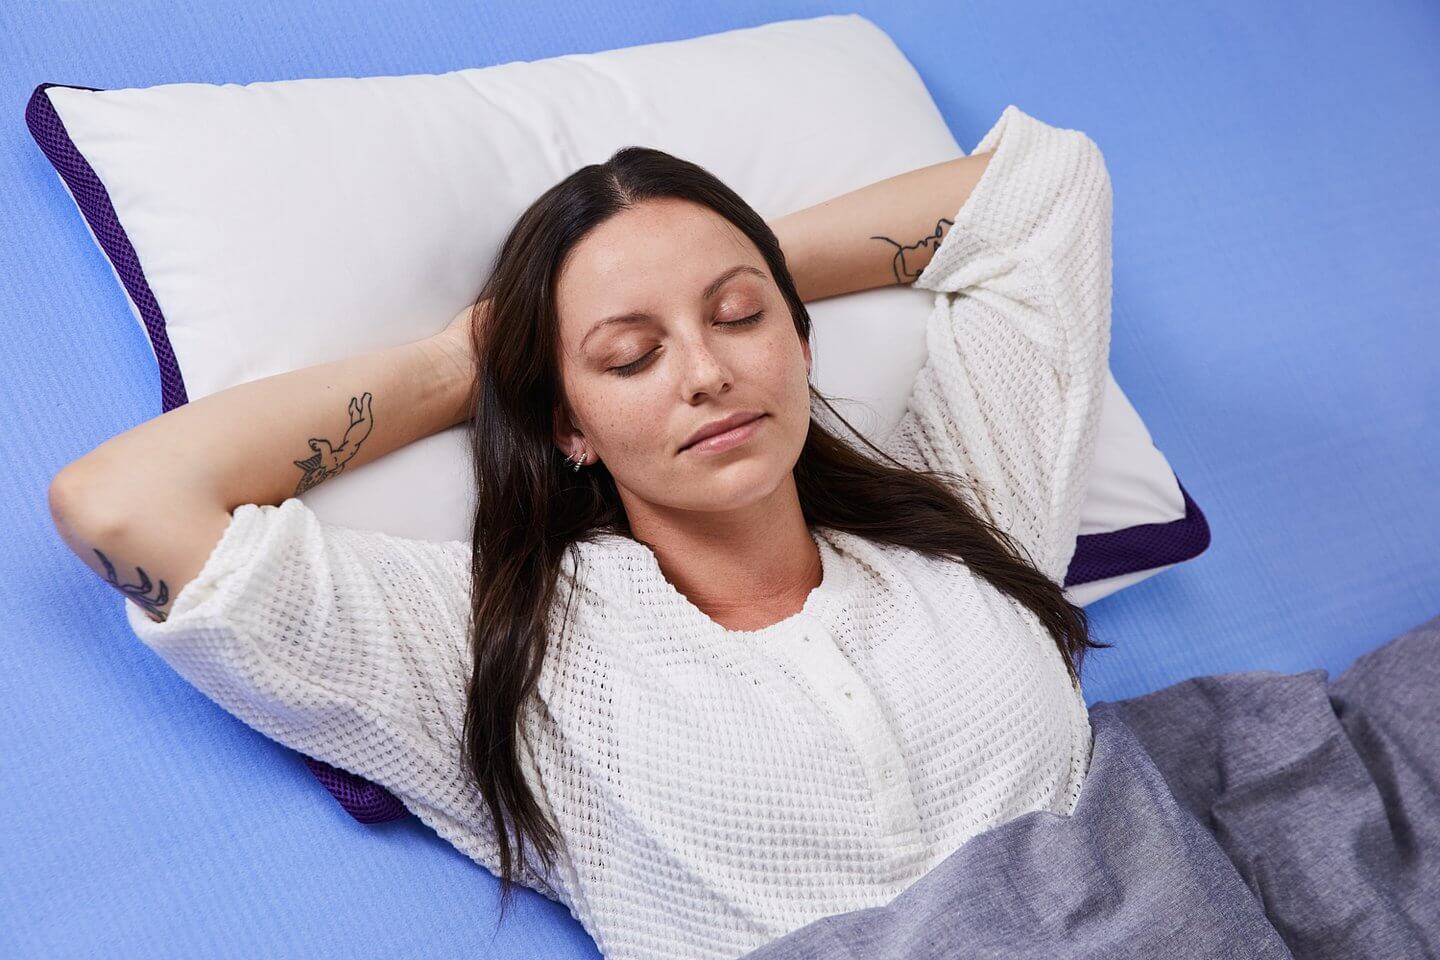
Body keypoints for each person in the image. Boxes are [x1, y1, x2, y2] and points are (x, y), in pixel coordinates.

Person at [48, 103, 1115, 960]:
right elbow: (123, 503)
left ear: (798, 337)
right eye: (627, 356)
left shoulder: (969, 511)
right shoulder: (518, 654)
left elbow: (1043, 193)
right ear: (569, 423)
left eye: (740, 318)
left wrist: (704, 260)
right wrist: (470, 360)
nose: (707, 374)